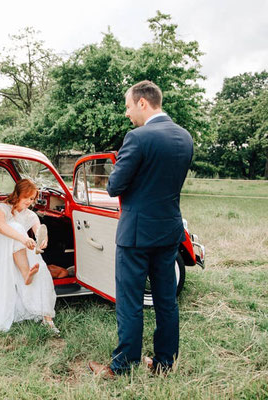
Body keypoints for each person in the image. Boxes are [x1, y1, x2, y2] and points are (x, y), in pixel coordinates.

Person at [88, 80, 194, 377]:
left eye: (128, 106)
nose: (127, 113)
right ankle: (164, 363)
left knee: (130, 301)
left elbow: (114, 186)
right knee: (166, 301)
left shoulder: (137, 138)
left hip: (136, 234)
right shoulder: (185, 137)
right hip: (169, 229)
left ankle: (122, 366)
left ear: (143, 103)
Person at [0, 178, 59, 334]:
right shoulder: (2, 207)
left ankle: (47, 318)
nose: (29, 201)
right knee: (17, 227)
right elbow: (0, 226)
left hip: (20, 247)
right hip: (0, 245)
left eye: (32, 198)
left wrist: (42, 241)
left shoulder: (31, 215)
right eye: (27, 197)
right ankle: (26, 272)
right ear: (18, 194)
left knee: (40, 267)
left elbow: (40, 231)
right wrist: (24, 238)